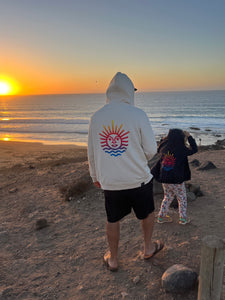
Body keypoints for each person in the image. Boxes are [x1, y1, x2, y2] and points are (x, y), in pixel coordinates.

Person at [88, 72, 163, 271]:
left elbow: (92, 152)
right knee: (146, 213)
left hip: (110, 182)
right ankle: (148, 248)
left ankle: (113, 259)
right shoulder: (138, 114)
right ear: (129, 91)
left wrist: (96, 176)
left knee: (112, 219)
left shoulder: (96, 117)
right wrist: (137, 159)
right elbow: (151, 150)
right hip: (139, 179)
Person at [151, 129, 198, 225]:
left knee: (167, 197)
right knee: (182, 199)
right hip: (177, 180)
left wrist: (165, 138)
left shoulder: (163, 147)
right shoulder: (181, 148)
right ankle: (183, 218)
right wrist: (189, 137)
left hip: (165, 179)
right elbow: (194, 149)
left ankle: (161, 216)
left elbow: (160, 144)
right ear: (181, 138)